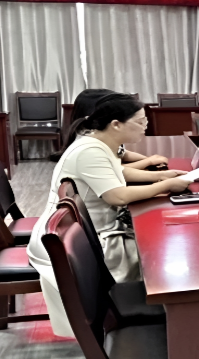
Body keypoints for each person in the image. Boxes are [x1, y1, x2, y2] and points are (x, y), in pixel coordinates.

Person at [28, 94, 190, 337]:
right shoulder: (90, 151)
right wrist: (166, 186)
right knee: (159, 253)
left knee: (159, 242)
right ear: (116, 124)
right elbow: (117, 196)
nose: (145, 126)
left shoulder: (99, 143)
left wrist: (160, 176)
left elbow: (118, 172)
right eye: (140, 121)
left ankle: (170, 314)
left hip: (84, 230)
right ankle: (167, 320)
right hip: (72, 240)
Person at [52, 88, 169, 169]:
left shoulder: (101, 132)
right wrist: (148, 162)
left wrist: (148, 159)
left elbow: (122, 153)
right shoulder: (90, 143)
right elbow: (117, 171)